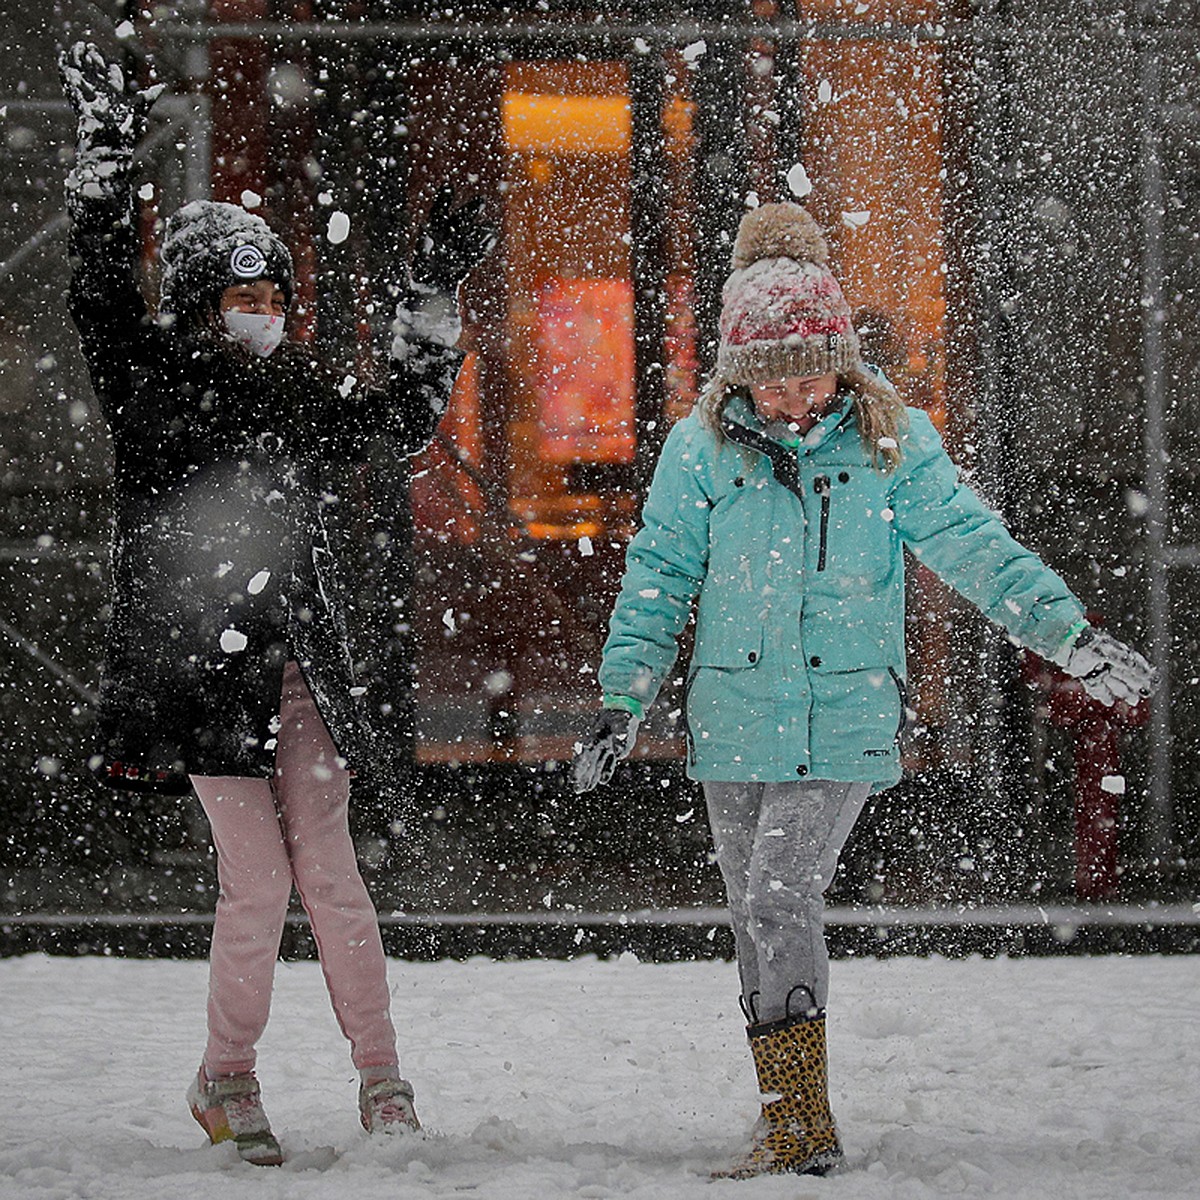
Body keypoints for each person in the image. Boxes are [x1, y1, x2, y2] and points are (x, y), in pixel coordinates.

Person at [572, 200, 1154, 1179]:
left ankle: (806, 1130)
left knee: (778, 896)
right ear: (737, 376)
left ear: (842, 358)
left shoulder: (893, 444)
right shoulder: (701, 450)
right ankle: (782, 1113)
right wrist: (621, 703)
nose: (795, 396)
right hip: (733, 714)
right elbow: (659, 579)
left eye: (812, 369)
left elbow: (977, 549)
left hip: (841, 713)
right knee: (753, 916)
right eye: (771, 379)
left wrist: (1068, 636)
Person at [59, 42, 494, 1165]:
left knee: (335, 876)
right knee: (254, 884)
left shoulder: (295, 393)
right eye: (240, 297)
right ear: (202, 305)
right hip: (204, 678)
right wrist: (106, 163)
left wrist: (432, 304)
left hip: (301, 663)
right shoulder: (149, 384)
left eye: (272, 296)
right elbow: (98, 294)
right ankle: (228, 1077)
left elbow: (398, 419)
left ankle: (382, 1076)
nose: (260, 315)